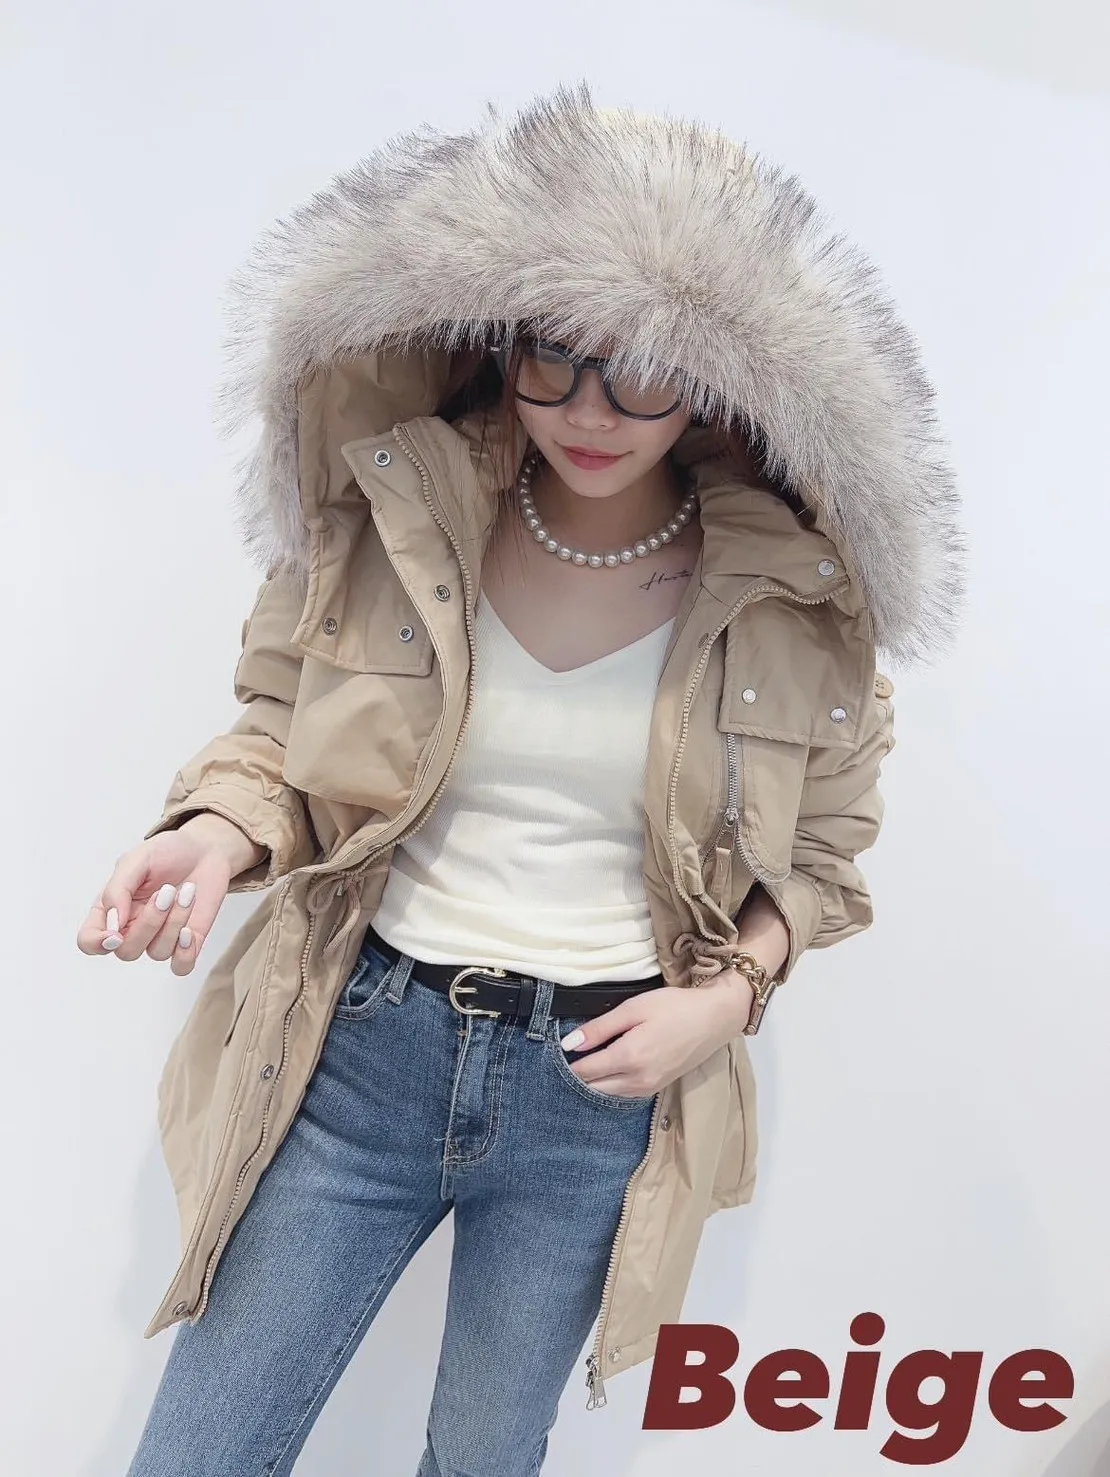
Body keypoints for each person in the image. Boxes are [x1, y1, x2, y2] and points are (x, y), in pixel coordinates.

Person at [78, 85, 963, 1475]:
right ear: (504, 341)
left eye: (640, 371)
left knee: (484, 1459)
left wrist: (722, 1000)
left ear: (712, 375)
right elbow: (279, 736)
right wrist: (212, 831)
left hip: (597, 1091)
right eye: (556, 359)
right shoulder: (392, 515)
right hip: (359, 1054)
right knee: (201, 1449)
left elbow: (822, 862)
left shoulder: (791, 600)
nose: (591, 412)